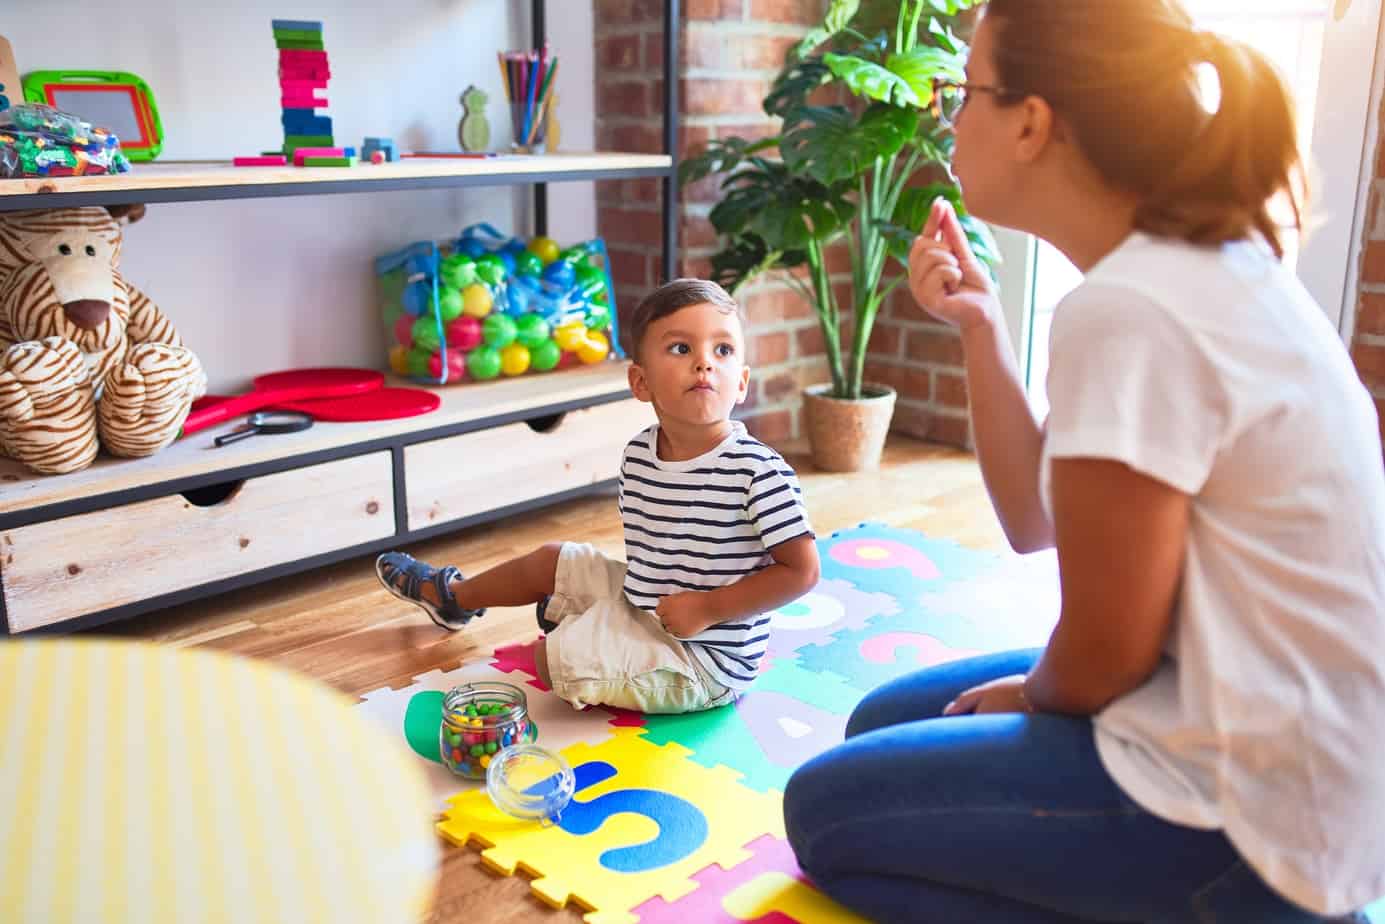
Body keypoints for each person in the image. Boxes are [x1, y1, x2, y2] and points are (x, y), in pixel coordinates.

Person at [781, 1, 1385, 921]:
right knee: (876, 726)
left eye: (966, 91)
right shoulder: (1177, 270)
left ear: (1031, 122)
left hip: (1261, 822)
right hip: (1250, 721)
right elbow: (1034, 521)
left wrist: (1034, 694)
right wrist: (981, 328)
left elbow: (1103, 653)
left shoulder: (1135, 307)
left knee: (820, 816)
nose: (948, 116)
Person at [376, 278, 820, 714]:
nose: (705, 363)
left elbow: (802, 572)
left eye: (722, 350)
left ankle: (577, 625)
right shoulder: (639, 454)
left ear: (741, 383)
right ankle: (455, 597)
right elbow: (652, 558)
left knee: (553, 661)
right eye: (682, 349)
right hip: (647, 603)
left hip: (704, 659)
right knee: (553, 559)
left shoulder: (758, 471)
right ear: (640, 382)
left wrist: (708, 607)